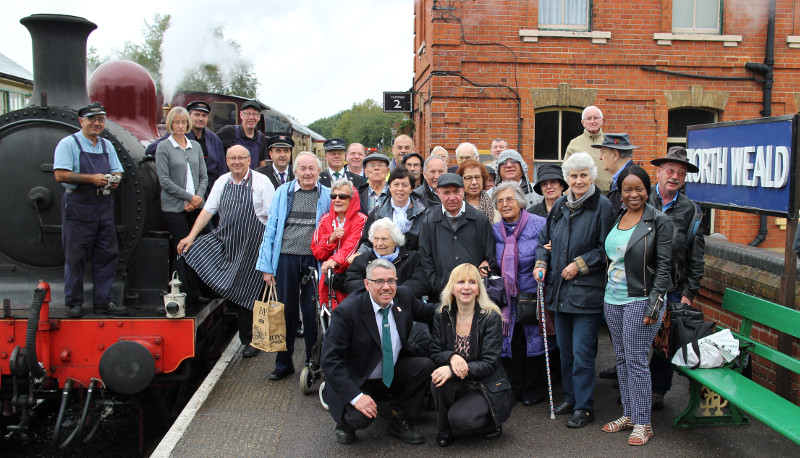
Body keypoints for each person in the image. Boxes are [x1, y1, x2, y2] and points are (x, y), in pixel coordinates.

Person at [532, 152, 614, 429]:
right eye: (573, 175)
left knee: (582, 353)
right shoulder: (561, 206)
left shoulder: (602, 207)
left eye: (583, 175)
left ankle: (584, 407)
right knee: (565, 352)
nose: (578, 180)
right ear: (567, 179)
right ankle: (571, 397)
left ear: (591, 177)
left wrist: (579, 264)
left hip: (586, 293)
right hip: (559, 291)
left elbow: (606, 249)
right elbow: (544, 241)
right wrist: (541, 264)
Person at [320, 259, 435, 445]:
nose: (386, 287)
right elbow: (329, 359)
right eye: (379, 281)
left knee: (425, 366)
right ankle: (344, 425)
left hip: (389, 371)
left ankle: (399, 417)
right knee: (361, 417)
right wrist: (356, 397)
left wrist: (464, 306)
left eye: (391, 281)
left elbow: (432, 313)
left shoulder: (403, 297)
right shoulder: (348, 311)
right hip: (358, 377)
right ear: (367, 284)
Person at [177, 145, 275, 358]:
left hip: (253, 244)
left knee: (250, 294)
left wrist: (270, 253)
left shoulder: (262, 183)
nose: (237, 162)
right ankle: (200, 296)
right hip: (226, 240)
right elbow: (208, 211)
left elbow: (272, 219)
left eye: (241, 158)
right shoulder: (222, 181)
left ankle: (252, 341)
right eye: (232, 158)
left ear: (249, 160)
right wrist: (191, 237)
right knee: (188, 253)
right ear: (227, 161)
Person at [601, 166, 672, 446]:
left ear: (647, 190)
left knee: (637, 361)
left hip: (640, 300)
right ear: (620, 192)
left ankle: (644, 423)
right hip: (613, 299)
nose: (633, 194)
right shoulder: (618, 217)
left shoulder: (659, 222)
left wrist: (654, 307)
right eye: (627, 189)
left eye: (638, 188)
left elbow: (665, 268)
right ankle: (629, 415)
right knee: (621, 359)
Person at [257, 152, 331, 379]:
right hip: (286, 257)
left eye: (312, 168)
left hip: (313, 259)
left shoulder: (327, 194)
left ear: (319, 171)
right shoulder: (283, 192)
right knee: (285, 311)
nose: (307, 173)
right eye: (303, 168)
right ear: (295, 171)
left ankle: (312, 360)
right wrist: (267, 267)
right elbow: (271, 230)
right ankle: (283, 363)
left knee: (312, 312)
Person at [53, 102, 127, 317]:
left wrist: (115, 180)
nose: (96, 123)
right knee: (75, 256)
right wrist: (91, 179)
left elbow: (118, 171)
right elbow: (60, 175)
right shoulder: (68, 144)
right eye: (92, 119)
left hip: (103, 205)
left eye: (100, 120)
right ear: (81, 121)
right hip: (78, 204)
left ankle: (104, 301)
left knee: (107, 253)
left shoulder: (107, 145)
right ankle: (74, 303)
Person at [430, 263, 512, 447]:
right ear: (452, 288)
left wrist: (452, 370)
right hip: (458, 383)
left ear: (478, 289)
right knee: (437, 380)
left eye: (472, 282)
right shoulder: (442, 314)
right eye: (460, 282)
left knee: (460, 420)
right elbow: (435, 352)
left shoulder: (491, 316)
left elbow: (490, 363)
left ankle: (492, 422)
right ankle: (444, 430)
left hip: (485, 385)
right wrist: (452, 356)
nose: (466, 287)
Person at [648, 146, 705, 410]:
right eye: (670, 170)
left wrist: (688, 294)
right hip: (639, 284)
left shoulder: (691, 211)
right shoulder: (641, 199)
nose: (675, 176)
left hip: (671, 288)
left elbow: (696, 257)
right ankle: (633, 387)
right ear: (658, 172)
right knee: (632, 339)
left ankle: (658, 389)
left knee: (663, 343)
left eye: (681, 173)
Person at [491, 182, 551, 405]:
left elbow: (547, 252)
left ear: (520, 201)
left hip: (532, 294)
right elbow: (492, 260)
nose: (505, 204)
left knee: (535, 342)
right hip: (506, 300)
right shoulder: (494, 230)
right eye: (500, 201)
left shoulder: (540, 225)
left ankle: (534, 390)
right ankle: (513, 387)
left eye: (509, 199)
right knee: (511, 343)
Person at [418, 173, 499, 295]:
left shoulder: (480, 219)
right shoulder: (429, 222)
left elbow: (490, 255)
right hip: (443, 293)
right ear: (438, 193)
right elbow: (425, 260)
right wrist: (438, 285)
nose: (452, 197)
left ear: (464, 191)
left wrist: (483, 272)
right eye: (446, 193)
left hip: (474, 293)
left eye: (456, 192)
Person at [156, 106, 208, 249]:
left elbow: (203, 176)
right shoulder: (163, 147)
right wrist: (190, 197)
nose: (180, 126)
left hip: (197, 205)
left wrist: (197, 198)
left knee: (204, 245)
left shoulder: (196, 146)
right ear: (170, 124)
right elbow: (164, 181)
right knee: (184, 248)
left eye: (184, 122)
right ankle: (181, 272)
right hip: (174, 208)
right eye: (176, 122)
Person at [311, 178, 367, 307]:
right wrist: (330, 239)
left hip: (350, 278)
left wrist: (334, 261)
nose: (337, 200)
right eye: (333, 196)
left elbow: (351, 247)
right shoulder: (325, 220)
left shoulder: (361, 220)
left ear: (351, 199)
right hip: (327, 279)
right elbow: (316, 251)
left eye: (342, 196)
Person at [345, 218, 429, 299]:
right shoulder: (361, 260)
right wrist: (376, 294)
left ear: (395, 240)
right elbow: (352, 282)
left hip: (403, 305)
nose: (379, 244)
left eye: (384, 239)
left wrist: (392, 293)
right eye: (376, 239)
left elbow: (420, 283)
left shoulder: (412, 258)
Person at [359, 166, 426, 252]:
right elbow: (367, 243)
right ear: (389, 187)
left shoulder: (423, 213)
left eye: (405, 185)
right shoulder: (377, 213)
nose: (400, 189)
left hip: (413, 262)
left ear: (412, 189)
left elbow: (425, 247)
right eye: (396, 184)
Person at [564, 106, 611, 193]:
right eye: (589, 118)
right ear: (583, 122)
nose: (593, 121)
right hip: (582, 196)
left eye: (596, 118)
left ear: (602, 121)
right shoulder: (574, 144)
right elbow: (566, 172)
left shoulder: (610, 142)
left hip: (608, 194)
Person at [216, 100, 267, 170]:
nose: (251, 117)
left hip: (252, 179)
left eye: (255, 114)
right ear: (241, 115)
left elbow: (262, 165)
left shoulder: (261, 138)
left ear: (259, 117)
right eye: (248, 114)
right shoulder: (228, 132)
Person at [594, 133, 639, 212]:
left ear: (615, 154)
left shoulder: (632, 180)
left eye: (603, 152)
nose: (600, 157)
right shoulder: (622, 178)